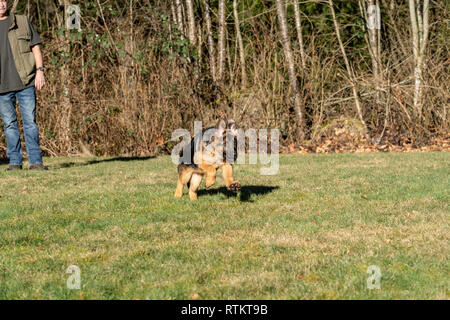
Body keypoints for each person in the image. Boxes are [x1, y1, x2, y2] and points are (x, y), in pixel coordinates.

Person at [0, 0, 47, 171]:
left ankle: (36, 162)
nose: (1, 4)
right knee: (10, 125)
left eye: (3, 0)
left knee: (30, 123)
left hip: (25, 81)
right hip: (2, 87)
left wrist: (40, 71)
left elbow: (35, 47)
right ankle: (14, 163)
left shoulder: (21, 21)